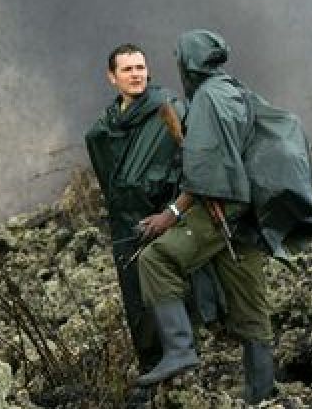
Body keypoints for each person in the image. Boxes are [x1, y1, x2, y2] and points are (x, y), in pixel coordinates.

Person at [135, 30, 312, 402]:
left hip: (222, 207)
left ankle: (179, 350)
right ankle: (262, 395)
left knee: (156, 259)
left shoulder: (207, 99)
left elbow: (208, 170)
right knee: (251, 305)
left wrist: (170, 214)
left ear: (188, 62)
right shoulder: (235, 90)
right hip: (247, 215)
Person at [84, 43, 222, 374]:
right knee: (137, 305)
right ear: (111, 77)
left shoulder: (168, 110)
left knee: (174, 293)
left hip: (167, 219)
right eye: (128, 69)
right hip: (125, 227)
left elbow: (196, 164)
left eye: (140, 68)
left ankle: (186, 370)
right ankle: (152, 374)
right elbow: (109, 184)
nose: (136, 75)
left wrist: (173, 212)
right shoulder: (101, 132)